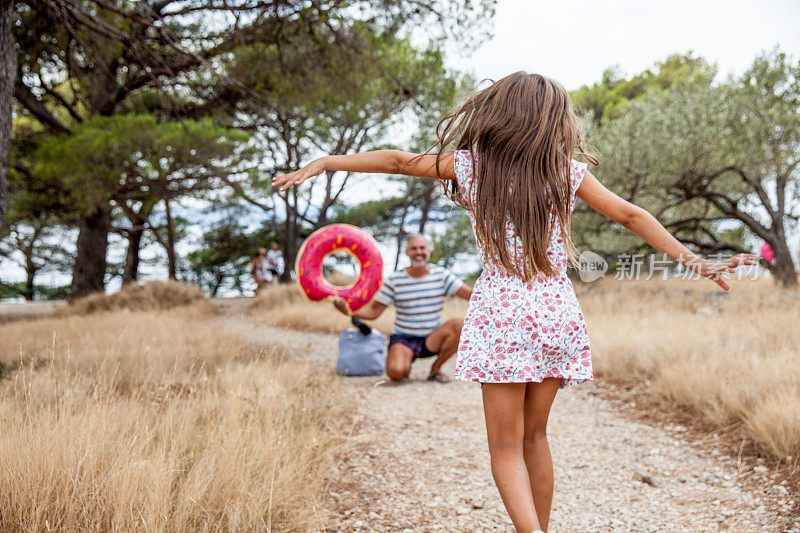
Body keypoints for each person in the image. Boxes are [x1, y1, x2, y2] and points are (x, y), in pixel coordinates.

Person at [272, 72, 757, 533]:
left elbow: (399, 161)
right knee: (536, 438)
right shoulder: (566, 173)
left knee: (505, 445)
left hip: (503, 308)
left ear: (500, 116)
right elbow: (631, 216)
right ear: (553, 122)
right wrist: (696, 262)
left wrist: (329, 162)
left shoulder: (472, 167)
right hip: (555, 308)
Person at [331, 234, 472, 383]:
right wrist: (348, 311)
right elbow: (373, 312)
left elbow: (471, 295)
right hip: (404, 338)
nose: (418, 252)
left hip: (432, 338)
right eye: (413, 248)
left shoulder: (442, 275)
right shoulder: (394, 280)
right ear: (407, 252)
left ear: (429, 251)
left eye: (422, 248)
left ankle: (435, 369)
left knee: (459, 325)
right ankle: (404, 360)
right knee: (396, 373)